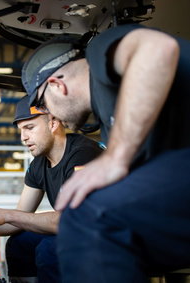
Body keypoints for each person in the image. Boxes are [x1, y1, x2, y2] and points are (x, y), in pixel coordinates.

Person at [22, 24, 190, 282]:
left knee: (88, 216)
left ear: (56, 85)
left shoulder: (101, 51)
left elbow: (157, 49)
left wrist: (115, 158)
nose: (50, 115)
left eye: (43, 105)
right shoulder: (111, 121)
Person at [0, 95, 103, 283]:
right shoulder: (38, 165)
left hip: (108, 232)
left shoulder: (84, 154)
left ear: (53, 123)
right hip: (78, 229)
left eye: (30, 128)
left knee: (49, 248)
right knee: (19, 243)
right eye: (21, 130)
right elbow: (19, 218)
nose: (23, 137)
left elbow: (71, 220)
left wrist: (8, 214)